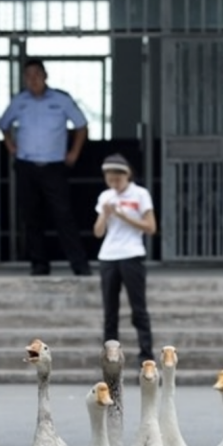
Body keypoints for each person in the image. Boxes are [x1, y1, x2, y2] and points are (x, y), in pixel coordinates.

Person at [0, 59, 92, 276]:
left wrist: (74, 153)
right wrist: (10, 146)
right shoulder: (19, 101)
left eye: (37, 75)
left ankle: (79, 264)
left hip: (54, 166)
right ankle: (39, 264)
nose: (33, 80)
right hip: (26, 165)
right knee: (31, 217)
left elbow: (81, 126)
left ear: (45, 76)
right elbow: (4, 125)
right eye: (28, 76)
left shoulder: (61, 100)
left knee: (64, 215)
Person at [93, 153, 156, 367]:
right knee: (110, 311)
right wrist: (105, 214)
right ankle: (110, 358)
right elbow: (98, 232)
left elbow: (150, 227)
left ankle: (146, 355)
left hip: (132, 253)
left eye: (117, 180)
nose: (114, 184)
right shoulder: (105, 196)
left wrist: (123, 215)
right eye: (110, 180)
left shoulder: (140, 194)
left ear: (126, 175)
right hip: (108, 256)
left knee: (138, 309)